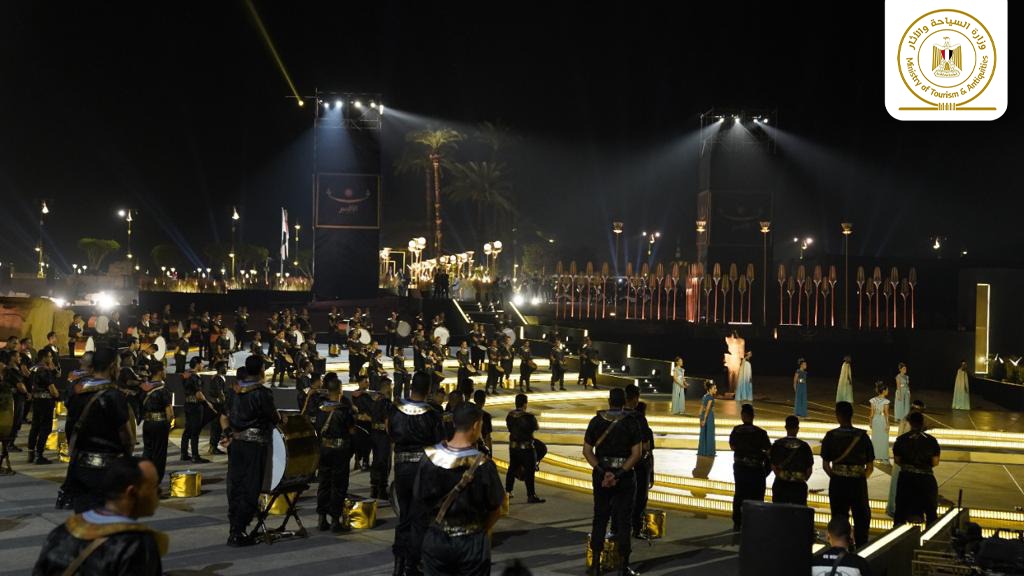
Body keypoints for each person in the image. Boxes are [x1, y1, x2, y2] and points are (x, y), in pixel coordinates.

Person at [33, 456, 165, 576]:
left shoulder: (63, 531)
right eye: (154, 487)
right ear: (132, 492)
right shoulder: (135, 544)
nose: (158, 492)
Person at [416, 403, 504, 576]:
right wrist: (479, 531)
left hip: (436, 538)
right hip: (471, 542)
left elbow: (419, 501)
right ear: (476, 425)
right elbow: (496, 508)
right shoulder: (484, 465)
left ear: (454, 423)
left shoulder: (428, 458)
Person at [64, 348, 134, 513]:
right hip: (106, 469)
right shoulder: (114, 395)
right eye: (117, 365)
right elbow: (126, 436)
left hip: (79, 465)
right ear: (111, 367)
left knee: (84, 516)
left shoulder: (76, 389)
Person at [221, 355, 280, 546]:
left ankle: (234, 529)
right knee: (251, 488)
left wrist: (229, 432)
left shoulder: (234, 391)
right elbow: (273, 417)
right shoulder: (263, 393)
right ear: (262, 369)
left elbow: (226, 417)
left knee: (235, 485)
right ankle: (238, 531)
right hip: (254, 446)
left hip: (236, 444)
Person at [389, 372, 445, 576]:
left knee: (404, 515)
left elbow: (391, 433)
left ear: (411, 386)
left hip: (401, 466)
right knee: (420, 518)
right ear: (429, 389)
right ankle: (412, 565)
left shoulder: (395, 409)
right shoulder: (431, 413)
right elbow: (439, 443)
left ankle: (399, 563)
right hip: (423, 468)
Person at [583, 388, 642, 576]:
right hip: (624, 477)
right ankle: (623, 566)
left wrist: (603, 472)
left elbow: (586, 451)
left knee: (600, 517)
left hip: (601, 475)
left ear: (609, 401)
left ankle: (595, 566)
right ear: (624, 401)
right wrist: (618, 474)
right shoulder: (632, 422)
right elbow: (637, 454)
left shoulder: (596, 421)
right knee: (624, 520)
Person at [821, 401, 874, 550]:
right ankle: (861, 549)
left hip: (838, 482)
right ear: (852, 415)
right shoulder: (862, 436)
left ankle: (840, 548)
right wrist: (860, 478)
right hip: (858, 482)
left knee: (839, 518)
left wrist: (837, 477)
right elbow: (870, 467)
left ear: (838, 416)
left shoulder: (831, 436)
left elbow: (826, 465)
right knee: (862, 518)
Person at [314, 372, 354, 533]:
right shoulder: (344, 410)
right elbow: (351, 430)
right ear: (340, 391)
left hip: (324, 449)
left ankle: (321, 518)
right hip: (339, 450)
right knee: (338, 484)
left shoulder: (321, 408)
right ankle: (335, 520)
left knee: (324, 482)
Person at [892, 411, 941, 526]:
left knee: (901, 509)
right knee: (930, 511)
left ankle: (898, 536)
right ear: (922, 423)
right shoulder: (931, 441)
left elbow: (897, 460)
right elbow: (935, 462)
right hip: (926, 478)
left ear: (910, 423)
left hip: (906, 478)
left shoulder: (901, 440)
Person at [729, 403, 771, 531]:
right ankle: (755, 521)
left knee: (740, 494)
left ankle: (737, 522)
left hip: (740, 468)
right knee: (757, 495)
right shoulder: (761, 432)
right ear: (753, 416)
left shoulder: (736, 430)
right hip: (756, 469)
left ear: (742, 416)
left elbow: (732, 447)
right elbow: (769, 452)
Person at [624, 389, 654, 538]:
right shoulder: (639, 419)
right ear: (635, 399)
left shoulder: (612, 417)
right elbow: (646, 446)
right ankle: (636, 528)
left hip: (620, 465)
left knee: (621, 498)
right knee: (640, 497)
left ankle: (618, 527)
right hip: (639, 464)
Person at [505, 393, 544, 503]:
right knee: (530, 471)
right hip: (527, 447)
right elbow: (536, 427)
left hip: (513, 446)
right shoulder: (529, 416)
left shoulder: (510, 415)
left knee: (511, 468)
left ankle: (508, 491)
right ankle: (531, 495)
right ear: (525, 404)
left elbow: (509, 428)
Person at [140, 361, 173, 488]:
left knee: (147, 453)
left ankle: (144, 480)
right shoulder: (163, 389)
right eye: (164, 370)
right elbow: (169, 413)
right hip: (160, 424)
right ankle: (155, 484)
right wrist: (168, 424)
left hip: (147, 423)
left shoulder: (144, 388)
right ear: (159, 372)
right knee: (159, 455)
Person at [770, 415, 814, 506]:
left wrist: (780, 476)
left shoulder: (777, 445)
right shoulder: (804, 446)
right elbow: (809, 470)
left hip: (781, 485)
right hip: (798, 486)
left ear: (786, 427)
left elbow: (773, 466)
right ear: (797, 428)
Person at [27, 348, 60, 464]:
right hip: (46, 402)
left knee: (35, 426)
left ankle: (30, 452)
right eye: (50, 356)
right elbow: (53, 390)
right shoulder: (45, 371)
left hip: (36, 401)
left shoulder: (33, 369)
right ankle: (39, 455)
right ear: (44, 357)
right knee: (45, 428)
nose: (51, 359)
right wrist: (57, 395)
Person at [369, 379, 394, 500]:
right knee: (384, 461)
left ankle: (374, 486)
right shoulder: (386, 402)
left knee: (376, 459)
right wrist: (392, 436)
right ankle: (382, 489)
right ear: (388, 387)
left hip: (374, 433)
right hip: (383, 435)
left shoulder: (374, 400)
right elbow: (387, 420)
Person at [180, 357, 209, 463]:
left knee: (187, 429)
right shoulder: (195, 377)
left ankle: (183, 454)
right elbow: (198, 394)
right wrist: (207, 403)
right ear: (197, 364)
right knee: (195, 431)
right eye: (202, 364)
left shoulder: (185, 375)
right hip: (196, 406)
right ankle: (195, 456)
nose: (202, 366)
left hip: (187, 404)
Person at [205, 360, 228, 456]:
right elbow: (220, 392)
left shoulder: (219, 377)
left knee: (217, 426)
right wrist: (225, 403)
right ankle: (213, 448)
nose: (226, 368)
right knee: (216, 426)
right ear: (219, 368)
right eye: (225, 367)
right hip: (218, 406)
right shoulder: (218, 378)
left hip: (217, 404)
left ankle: (213, 447)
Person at [869, 382, 890, 463]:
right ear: (883, 391)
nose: (888, 391)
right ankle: (882, 457)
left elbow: (871, 413)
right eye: (887, 390)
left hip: (875, 420)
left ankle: (875, 457)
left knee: (875, 438)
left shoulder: (873, 400)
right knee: (884, 439)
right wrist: (888, 424)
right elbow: (886, 414)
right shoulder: (886, 401)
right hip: (882, 420)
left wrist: (870, 422)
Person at [697, 382, 717, 457]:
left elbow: (701, 408)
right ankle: (709, 451)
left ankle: (703, 451)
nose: (716, 390)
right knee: (709, 433)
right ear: (710, 389)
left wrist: (700, 418)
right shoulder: (710, 397)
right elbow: (708, 409)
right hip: (709, 417)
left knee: (703, 433)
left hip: (703, 416)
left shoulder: (705, 396)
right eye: (714, 388)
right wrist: (705, 419)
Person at [472, 389, 493, 455]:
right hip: (481, 448)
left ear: (474, 399)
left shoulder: (468, 412)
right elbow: (487, 437)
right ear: (484, 400)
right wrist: (490, 453)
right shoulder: (486, 416)